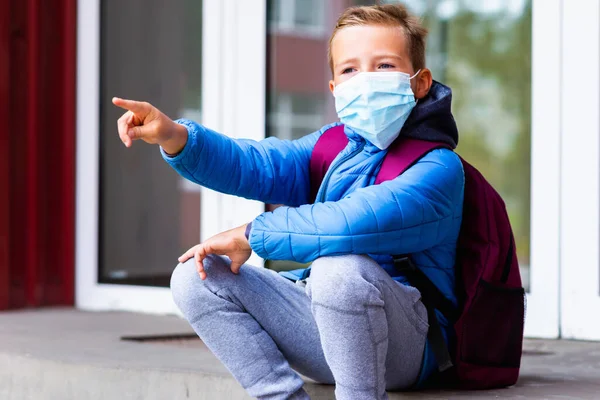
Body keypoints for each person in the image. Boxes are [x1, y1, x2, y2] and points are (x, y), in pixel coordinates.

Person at [113, 4, 463, 400]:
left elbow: (352, 223)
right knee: (197, 276)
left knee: (339, 268)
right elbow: (256, 164)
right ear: (334, 89)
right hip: (327, 329)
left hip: (409, 349)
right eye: (349, 70)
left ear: (419, 83)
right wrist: (175, 136)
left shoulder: (438, 167)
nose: (365, 80)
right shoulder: (333, 147)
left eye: (383, 66)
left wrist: (251, 234)